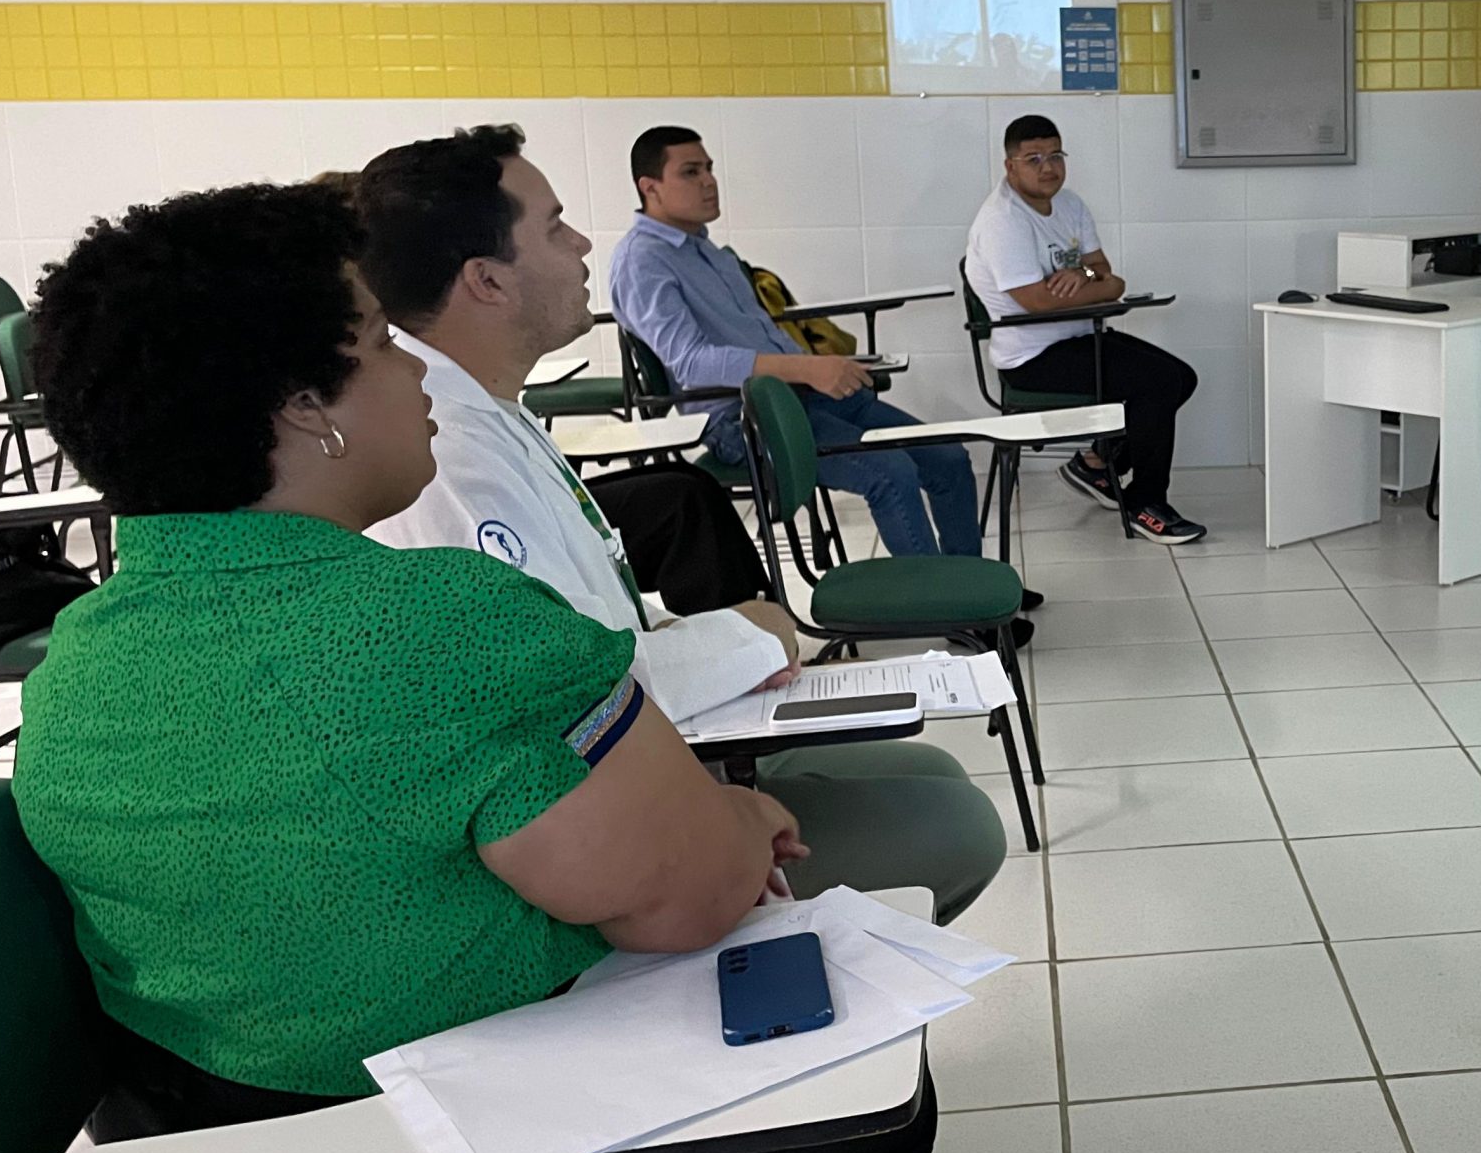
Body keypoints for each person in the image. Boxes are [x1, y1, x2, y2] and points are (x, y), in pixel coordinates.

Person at [12, 182, 967, 1153]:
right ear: (305, 408)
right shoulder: (439, 623)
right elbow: (684, 901)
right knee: (874, 1099)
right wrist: (737, 830)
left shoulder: (76, 664)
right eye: (375, 340)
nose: (414, 368)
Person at [358, 127, 1005, 921]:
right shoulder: (450, 456)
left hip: (639, 758)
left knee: (934, 770)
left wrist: (685, 627)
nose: (582, 242)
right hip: (606, 834)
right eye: (555, 227)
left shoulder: (493, 411)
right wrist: (751, 635)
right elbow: (576, 698)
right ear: (486, 280)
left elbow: (584, 621)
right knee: (960, 827)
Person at [610, 125, 986, 568]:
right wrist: (807, 369)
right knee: (891, 472)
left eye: (709, 168)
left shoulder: (709, 251)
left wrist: (819, 365)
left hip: (801, 394)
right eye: (691, 172)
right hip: (744, 417)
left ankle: (971, 584)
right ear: (649, 187)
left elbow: (759, 335)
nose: (709, 181)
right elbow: (691, 364)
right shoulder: (642, 261)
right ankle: (939, 600)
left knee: (947, 457)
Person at [963, 114, 1206, 545]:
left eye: (1056, 155)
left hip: (1080, 339)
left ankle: (1095, 465)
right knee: (1158, 382)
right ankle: (1145, 505)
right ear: (1010, 166)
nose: (1048, 167)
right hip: (1032, 358)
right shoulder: (1003, 220)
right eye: (1034, 158)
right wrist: (1098, 286)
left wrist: (1086, 277)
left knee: (1182, 377)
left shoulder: (1070, 205)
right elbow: (1037, 302)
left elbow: (1108, 275)